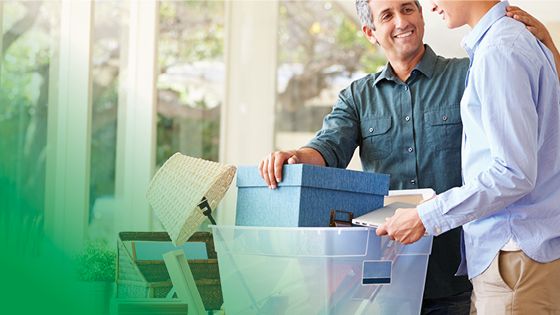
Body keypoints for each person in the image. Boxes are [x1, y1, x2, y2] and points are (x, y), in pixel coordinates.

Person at [259, 1, 559, 314]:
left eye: (407, 9)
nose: (402, 21)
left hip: (459, 273)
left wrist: (549, 49)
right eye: (387, 16)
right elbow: (328, 148)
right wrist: (295, 157)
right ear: (370, 32)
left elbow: (527, 141)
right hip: (389, 276)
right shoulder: (357, 97)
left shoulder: (468, 71)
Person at [376, 1, 560, 314]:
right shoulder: (505, 44)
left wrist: (424, 217)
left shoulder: (499, 51)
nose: (431, 6)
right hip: (513, 258)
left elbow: (512, 172)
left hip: (513, 257)